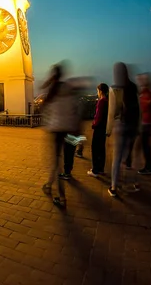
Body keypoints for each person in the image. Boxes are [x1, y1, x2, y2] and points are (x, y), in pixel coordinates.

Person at [41, 63, 86, 208]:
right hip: (69, 129)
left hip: (56, 130)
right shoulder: (68, 88)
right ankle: (49, 183)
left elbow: (43, 106)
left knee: (56, 161)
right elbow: (76, 106)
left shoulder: (52, 90)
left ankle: (61, 197)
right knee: (64, 158)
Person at [106, 62, 141, 197]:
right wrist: (139, 126)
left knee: (117, 157)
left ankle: (114, 187)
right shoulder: (133, 87)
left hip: (120, 125)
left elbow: (111, 112)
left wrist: (108, 130)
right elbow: (139, 107)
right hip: (132, 126)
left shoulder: (114, 89)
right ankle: (135, 182)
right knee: (129, 157)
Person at [137, 73, 151, 175]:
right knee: (144, 146)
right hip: (145, 122)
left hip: (147, 123)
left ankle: (148, 167)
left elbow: (147, 107)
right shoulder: (145, 93)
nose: (140, 81)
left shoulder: (147, 94)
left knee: (145, 146)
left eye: (142, 80)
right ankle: (147, 166)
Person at [88, 83, 109, 177]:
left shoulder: (101, 101)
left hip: (99, 127)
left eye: (97, 91)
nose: (97, 93)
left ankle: (95, 170)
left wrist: (94, 124)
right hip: (104, 127)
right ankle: (100, 169)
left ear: (100, 91)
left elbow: (98, 115)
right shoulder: (108, 101)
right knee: (101, 148)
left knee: (95, 148)